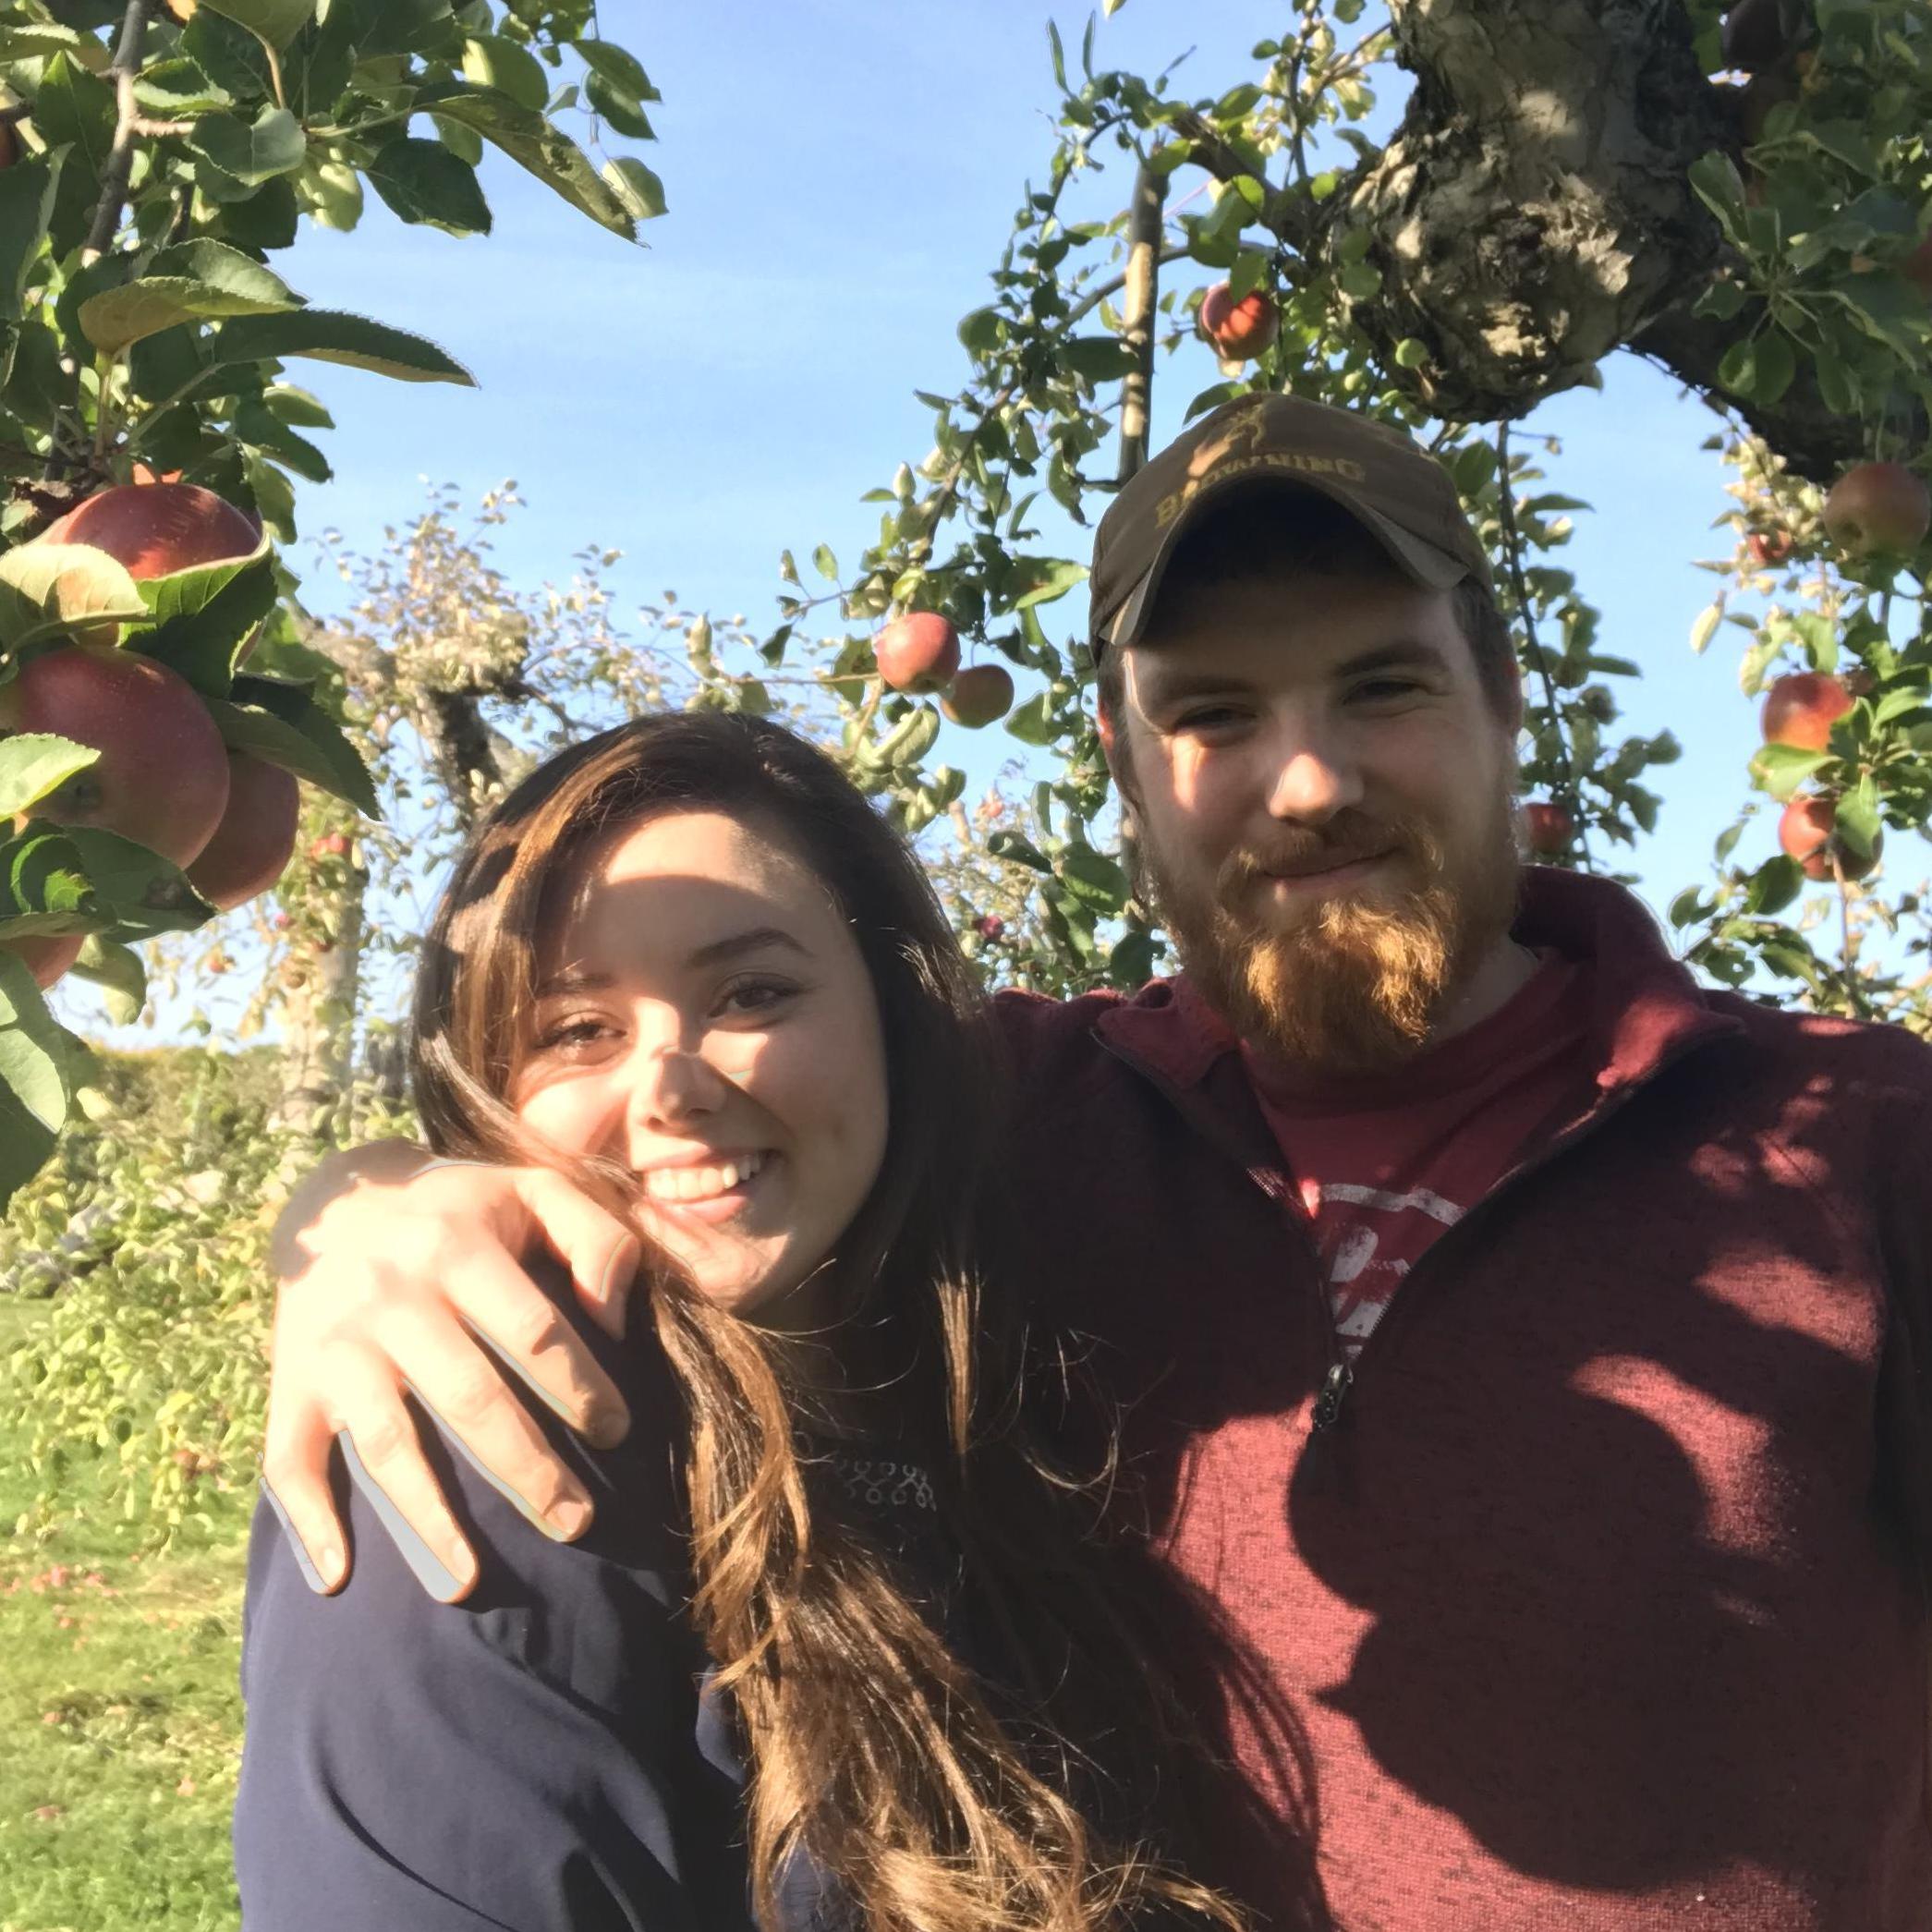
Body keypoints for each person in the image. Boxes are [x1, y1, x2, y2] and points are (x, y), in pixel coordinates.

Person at [260, 393, 1932, 1930]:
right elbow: (682, 1121)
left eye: (1383, 686)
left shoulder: (1847, 1145)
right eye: (1213, 714)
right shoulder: (1003, 1117)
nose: (1309, 780)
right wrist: (362, 1213)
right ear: (1129, 778)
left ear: (1504, 702)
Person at [234, 711, 1318, 1932]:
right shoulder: (498, 1467)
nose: (673, 1087)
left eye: (753, 992)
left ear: (897, 1022)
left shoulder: (978, 1386)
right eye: (578, 1030)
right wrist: (358, 1201)